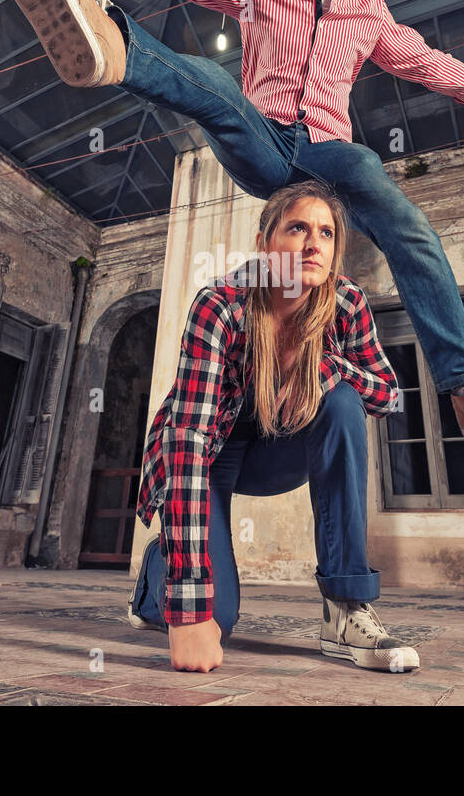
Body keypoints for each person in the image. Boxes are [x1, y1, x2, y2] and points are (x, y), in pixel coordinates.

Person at [0, 0, 464, 459]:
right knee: (219, 89)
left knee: (405, 219)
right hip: (264, 143)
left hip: (328, 158)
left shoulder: (370, 13)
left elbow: (427, 65)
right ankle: (115, 43)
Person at [123, 180, 417, 673]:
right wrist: (191, 612)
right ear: (265, 244)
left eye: (326, 232)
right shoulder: (221, 306)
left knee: (344, 402)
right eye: (297, 228)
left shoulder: (345, 304)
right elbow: (189, 441)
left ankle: (345, 610)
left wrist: (328, 367)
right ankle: (160, 574)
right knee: (219, 619)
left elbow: (389, 395)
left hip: (281, 452)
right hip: (210, 453)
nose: (312, 243)